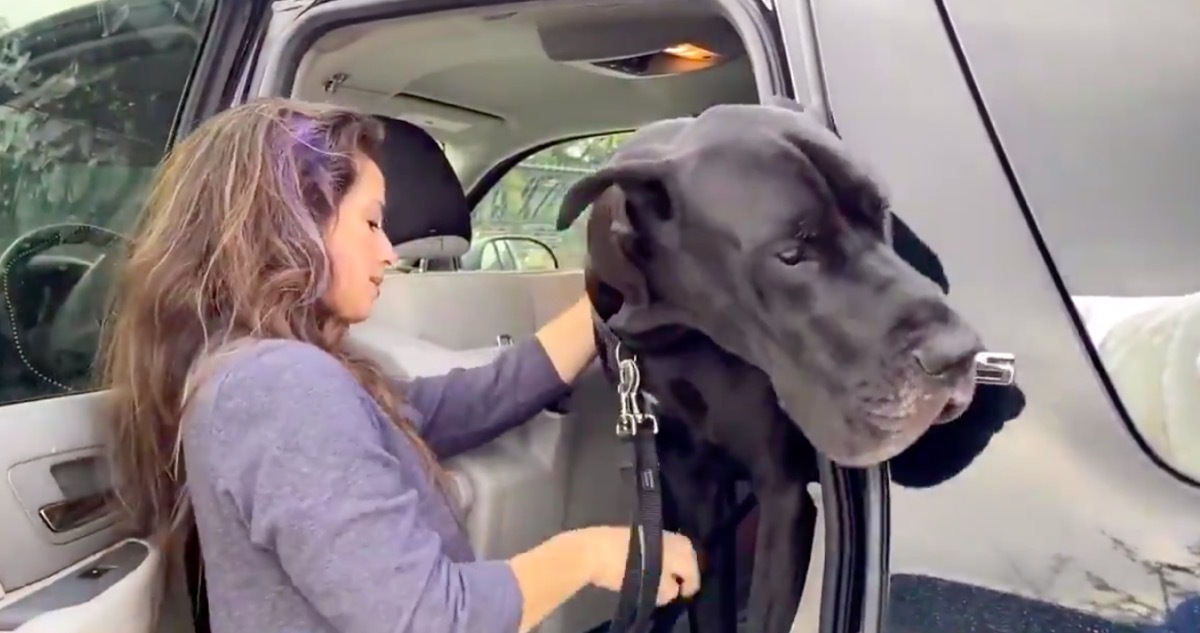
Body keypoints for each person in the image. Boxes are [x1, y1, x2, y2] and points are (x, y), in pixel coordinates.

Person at [98, 98, 700, 633]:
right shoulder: (280, 388)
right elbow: (425, 618)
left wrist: (607, 297)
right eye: (371, 221)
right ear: (292, 225)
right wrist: (590, 555)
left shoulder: (275, 372)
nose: (389, 251)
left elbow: (473, 400)